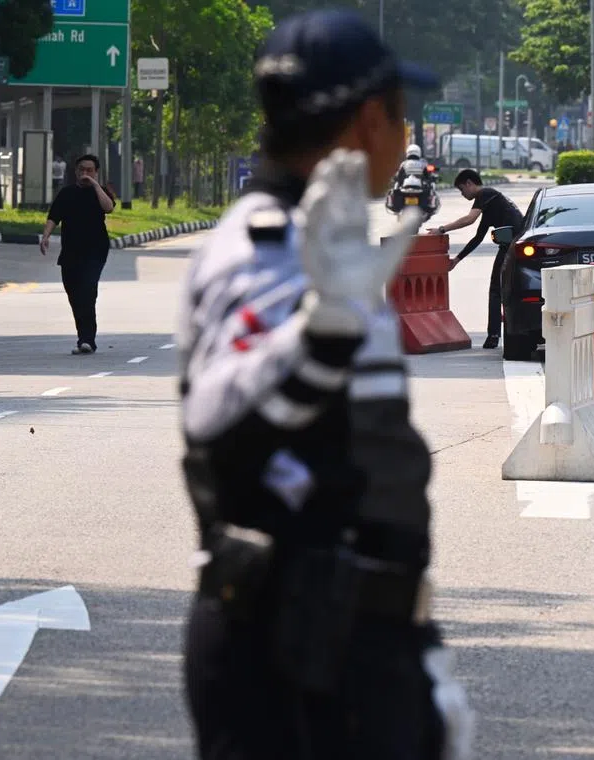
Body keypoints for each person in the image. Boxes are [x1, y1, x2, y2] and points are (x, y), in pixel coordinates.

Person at [177, 9, 474, 760]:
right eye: (400, 114)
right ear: (371, 120)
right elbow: (218, 420)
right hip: (299, 650)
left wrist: (411, 643)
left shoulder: (317, 245)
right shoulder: (273, 248)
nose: (403, 135)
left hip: (338, 635)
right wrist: (322, 332)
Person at [426, 169, 524, 349]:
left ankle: (494, 335)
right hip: (514, 245)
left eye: (462, 189)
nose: (462, 194)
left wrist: (441, 229)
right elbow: (478, 238)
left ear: (469, 183)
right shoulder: (490, 203)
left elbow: (469, 220)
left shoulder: (485, 194)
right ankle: (495, 334)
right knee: (501, 289)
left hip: (513, 246)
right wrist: (457, 259)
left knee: (496, 290)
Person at [40, 154, 116, 355]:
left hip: (95, 251)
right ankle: (83, 336)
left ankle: (87, 340)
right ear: (75, 171)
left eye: (89, 170)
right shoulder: (67, 193)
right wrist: (45, 236)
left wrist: (95, 185)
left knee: (88, 292)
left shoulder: (101, 192)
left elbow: (108, 207)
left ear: (96, 172)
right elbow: (53, 216)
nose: (85, 173)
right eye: (81, 169)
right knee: (74, 294)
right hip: (71, 251)